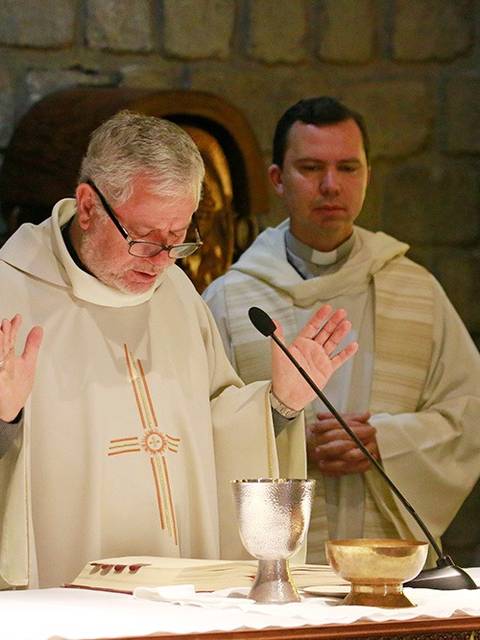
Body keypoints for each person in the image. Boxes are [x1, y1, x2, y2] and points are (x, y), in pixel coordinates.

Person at [0, 110, 358, 589]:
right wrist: (4, 422)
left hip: (179, 593)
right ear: (87, 206)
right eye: (145, 239)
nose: (161, 262)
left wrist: (278, 404)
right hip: (61, 596)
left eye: (177, 240)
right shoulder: (11, 294)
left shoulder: (178, 298)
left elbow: (214, 428)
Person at [203, 96, 480, 566]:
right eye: (311, 168)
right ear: (277, 179)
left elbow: (469, 414)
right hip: (271, 568)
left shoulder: (415, 289)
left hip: (392, 566)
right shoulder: (231, 300)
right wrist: (290, 443)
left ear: (367, 175)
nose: (331, 185)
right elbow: (197, 427)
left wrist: (384, 441)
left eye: (348, 168)